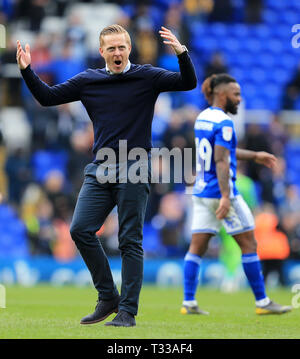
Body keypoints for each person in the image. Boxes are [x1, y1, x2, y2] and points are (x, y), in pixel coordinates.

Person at [17, 24, 197, 327]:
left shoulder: (147, 76)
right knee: (80, 229)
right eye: (111, 48)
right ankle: (108, 297)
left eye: (122, 47)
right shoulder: (89, 80)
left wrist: (182, 54)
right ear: (102, 51)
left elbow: (188, 82)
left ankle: (127, 312)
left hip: (135, 165)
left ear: (129, 49)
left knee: (129, 240)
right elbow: (47, 98)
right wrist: (26, 70)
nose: (117, 52)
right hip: (100, 167)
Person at [181, 73, 292, 316]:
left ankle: (188, 302)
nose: (240, 100)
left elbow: (222, 151)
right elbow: (221, 160)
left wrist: (255, 155)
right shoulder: (225, 122)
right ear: (222, 94)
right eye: (236, 94)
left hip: (200, 191)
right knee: (249, 244)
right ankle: (262, 302)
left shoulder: (203, 118)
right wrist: (224, 196)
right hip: (222, 193)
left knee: (196, 248)